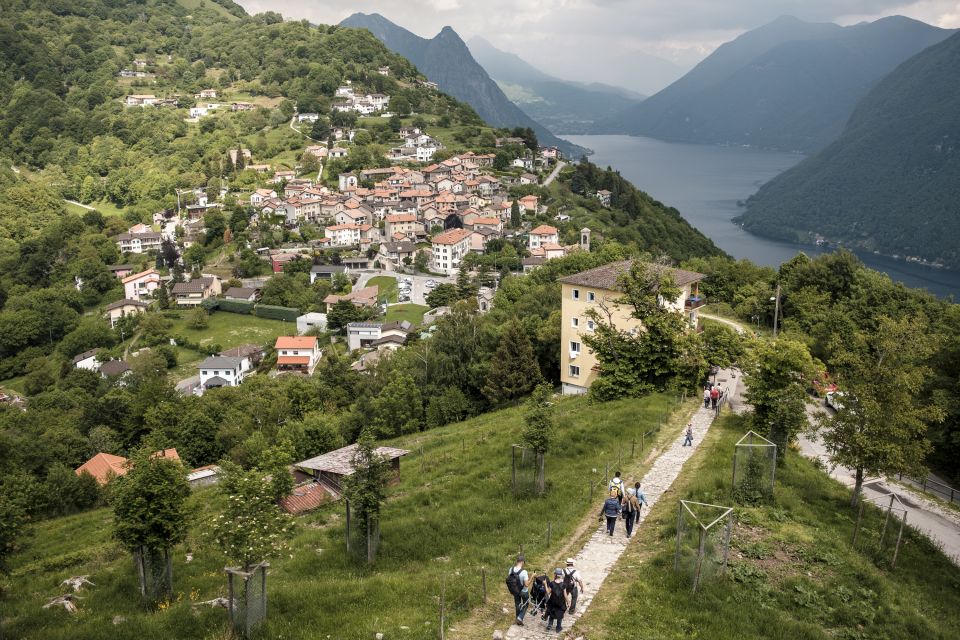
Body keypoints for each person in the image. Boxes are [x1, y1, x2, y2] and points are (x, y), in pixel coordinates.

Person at [507, 554, 532, 626]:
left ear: (517, 561)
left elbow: (510, 579)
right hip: (523, 591)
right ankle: (520, 618)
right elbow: (526, 584)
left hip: (515, 590)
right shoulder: (524, 572)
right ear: (522, 562)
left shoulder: (511, 569)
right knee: (526, 603)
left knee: (517, 604)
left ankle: (517, 619)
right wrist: (532, 577)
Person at [545, 568, 569, 632]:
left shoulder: (552, 583)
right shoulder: (563, 584)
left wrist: (545, 584)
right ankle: (558, 627)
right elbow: (565, 595)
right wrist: (568, 602)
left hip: (553, 601)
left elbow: (548, 592)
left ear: (555, 574)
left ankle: (549, 625)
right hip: (561, 602)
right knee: (560, 614)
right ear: (561, 575)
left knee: (551, 612)